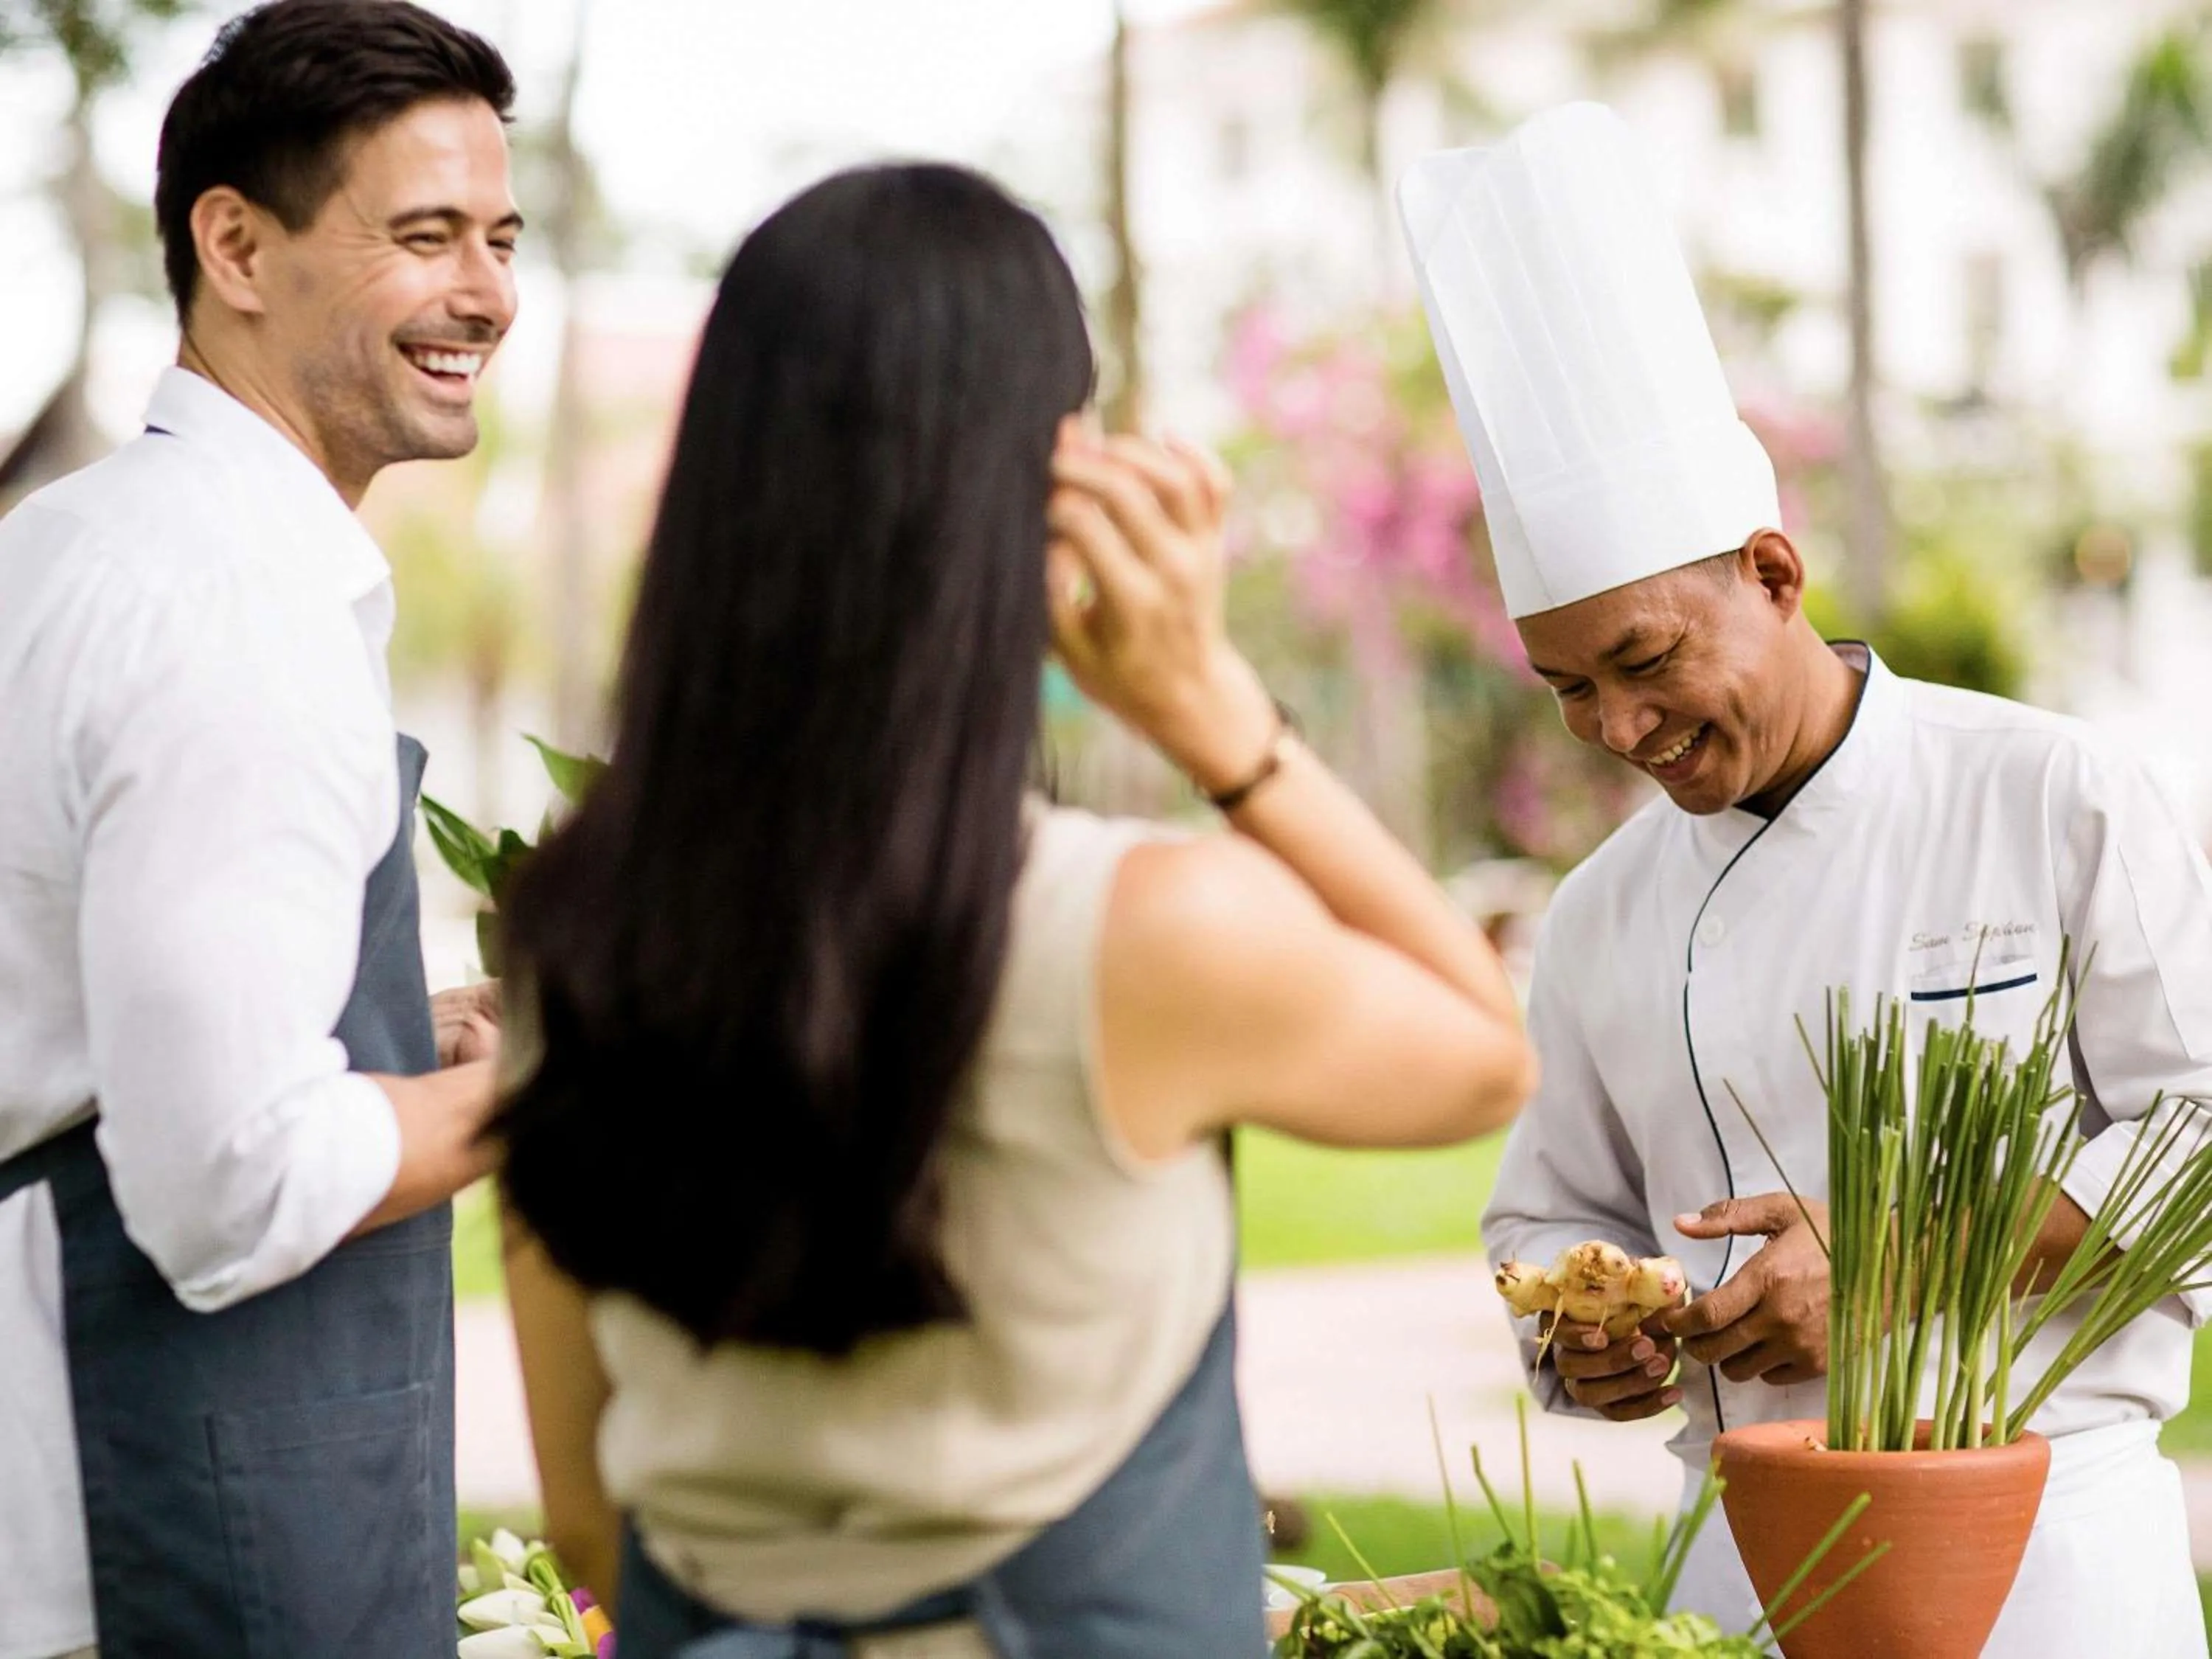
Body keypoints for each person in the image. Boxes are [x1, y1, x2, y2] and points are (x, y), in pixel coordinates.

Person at [487, 161, 1538, 1659]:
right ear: (1057, 490)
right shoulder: (1144, 932)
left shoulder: (576, 935)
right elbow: (1484, 1047)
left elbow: (593, 1521)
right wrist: (1214, 713)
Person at [1403, 101, 2211, 1656]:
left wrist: (1904, 1254)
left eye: (1645, 660)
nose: (1617, 729)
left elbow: (2203, 1136)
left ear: (1774, 573)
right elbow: (1550, 1208)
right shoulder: (1599, 912)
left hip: (2047, 1568)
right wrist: (1580, 1334)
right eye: (1566, 689)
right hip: (1728, 1576)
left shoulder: (2049, 792)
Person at [0, 4, 517, 1655]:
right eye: (423, 236)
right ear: (234, 245)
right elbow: (226, 1177)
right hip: (152, 1537)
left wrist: (393, 1033)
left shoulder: (77, 540)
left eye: (502, 239)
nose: (487, 293)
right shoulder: (230, 608)